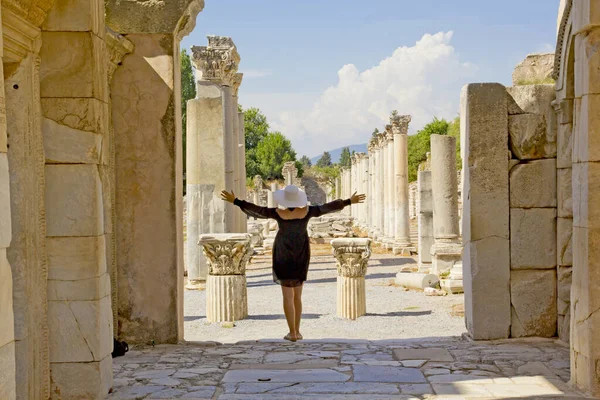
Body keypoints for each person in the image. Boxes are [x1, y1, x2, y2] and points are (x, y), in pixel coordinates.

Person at [221, 185, 366, 342]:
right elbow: (327, 207)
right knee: (298, 295)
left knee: (287, 296)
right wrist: (348, 201)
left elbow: (257, 210)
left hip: (282, 252)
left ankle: (292, 332)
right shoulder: (308, 211)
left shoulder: (278, 212)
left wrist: (236, 201)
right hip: (301, 252)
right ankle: (297, 330)